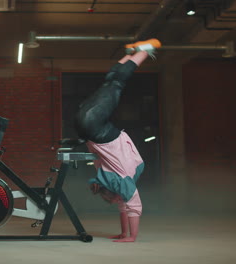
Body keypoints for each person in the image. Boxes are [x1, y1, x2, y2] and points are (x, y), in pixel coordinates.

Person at [74, 39, 161, 242]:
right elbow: (128, 207)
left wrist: (129, 235)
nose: (117, 202)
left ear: (115, 194)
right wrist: (128, 234)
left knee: (114, 83)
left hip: (92, 124)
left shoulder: (120, 179)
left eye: (114, 200)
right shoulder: (114, 179)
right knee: (111, 82)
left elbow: (129, 207)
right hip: (85, 123)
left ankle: (141, 52)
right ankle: (137, 52)